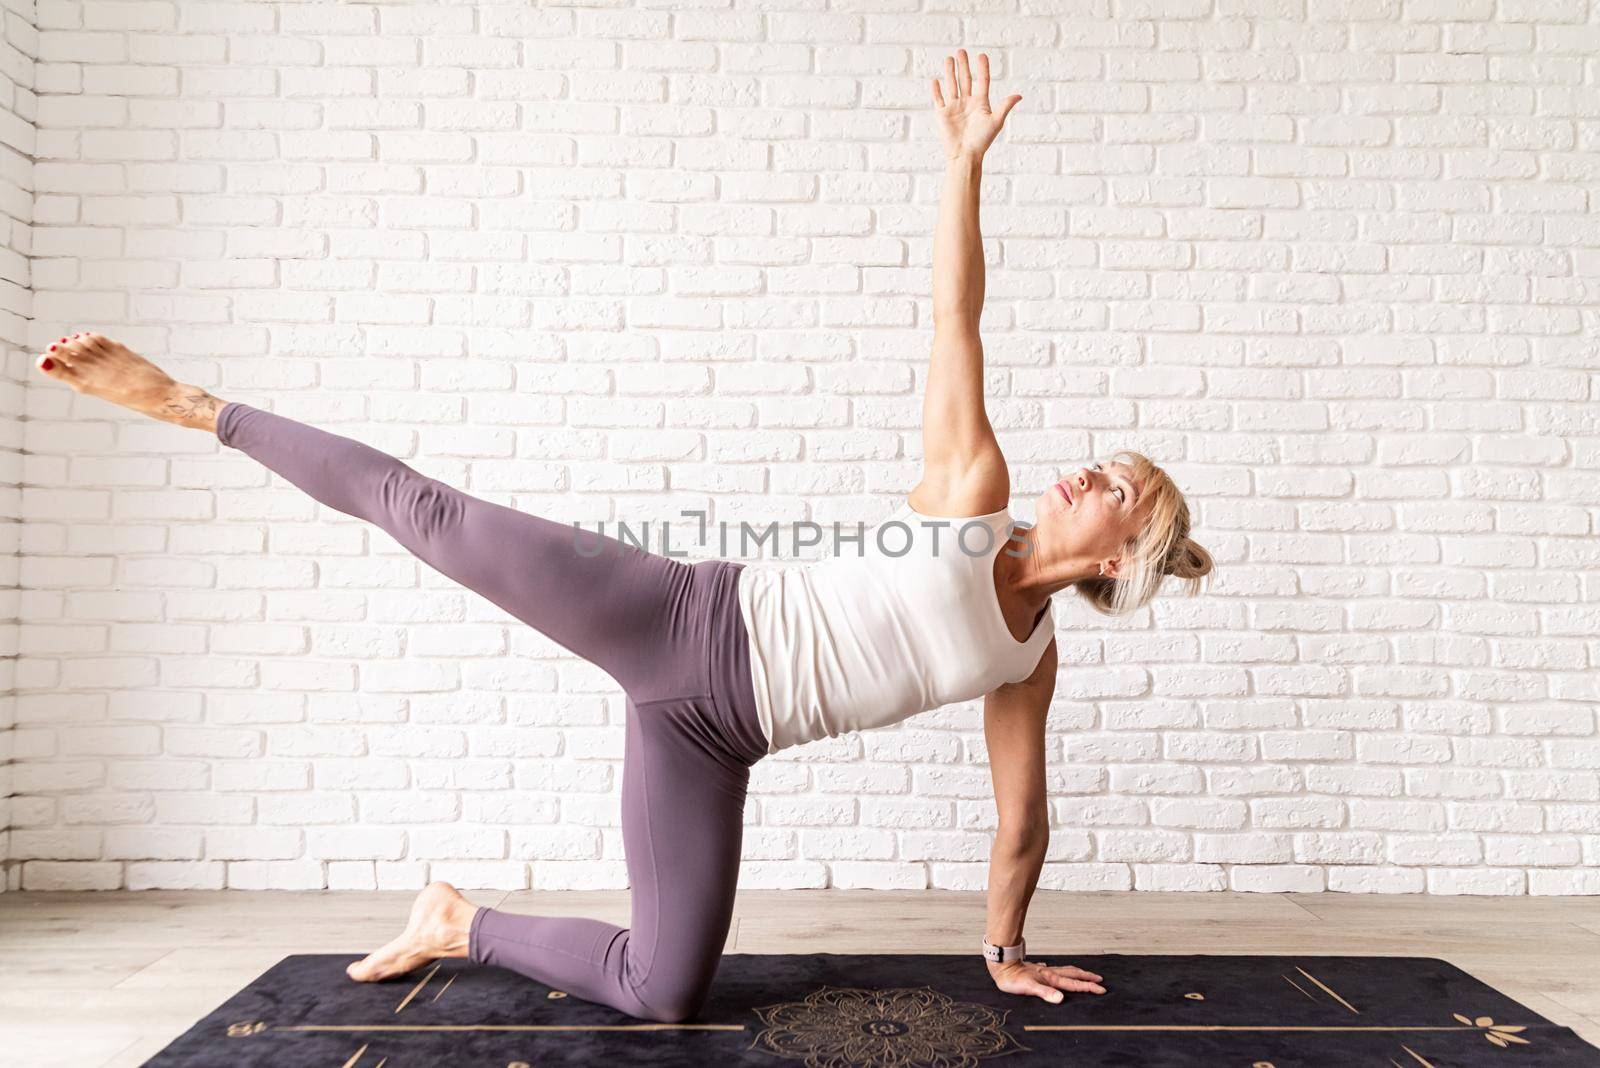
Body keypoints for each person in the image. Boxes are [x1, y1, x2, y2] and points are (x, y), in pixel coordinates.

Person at [35, 49, 1210, 1024]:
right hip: (676, 612)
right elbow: (957, 318)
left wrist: (1002, 947)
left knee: (664, 991)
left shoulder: (1028, 657)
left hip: (713, 736)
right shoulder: (973, 499)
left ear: (1119, 557)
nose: (1087, 471)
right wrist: (961, 166)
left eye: (1116, 487)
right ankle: (195, 404)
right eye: (1103, 463)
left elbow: (1022, 813)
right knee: (427, 514)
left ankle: (456, 920)